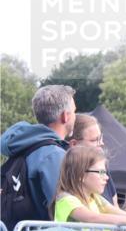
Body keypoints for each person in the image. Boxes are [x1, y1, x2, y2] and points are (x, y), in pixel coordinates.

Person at [50, 145, 126, 231]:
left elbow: (124, 215)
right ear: (81, 175)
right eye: (101, 172)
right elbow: (94, 218)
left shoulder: (95, 198)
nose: (106, 177)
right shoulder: (66, 199)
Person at [1, 85, 75, 223]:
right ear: (65, 116)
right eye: (74, 112)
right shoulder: (53, 155)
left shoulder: (22, 146)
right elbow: (62, 207)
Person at [68, 113, 118, 208]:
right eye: (94, 140)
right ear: (74, 144)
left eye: (101, 138)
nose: (102, 143)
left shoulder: (103, 169)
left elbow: (115, 208)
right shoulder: (67, 186)